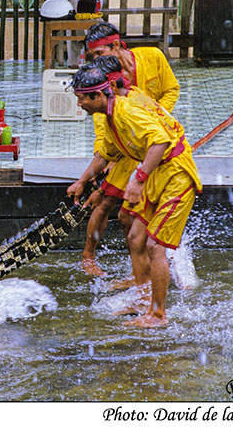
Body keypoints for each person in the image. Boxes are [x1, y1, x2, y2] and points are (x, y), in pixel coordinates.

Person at [67, 64, 200, 328]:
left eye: (82, 97)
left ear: (99, 95)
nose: (79, 103)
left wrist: (138, 179)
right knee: (136, 236)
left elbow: (160, 141)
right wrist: (82, 181)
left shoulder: (127, 110)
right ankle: (142, 300)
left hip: (176, 174)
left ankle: (159, 314)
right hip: (156, 175)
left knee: (154, 245)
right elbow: (105, 155)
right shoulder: (110, 117)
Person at [80, 21, 180, 277]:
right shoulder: (101, 83)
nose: (96, 61)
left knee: (133, 215)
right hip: (124, 147)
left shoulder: (153, 56)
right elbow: (103, 130)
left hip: (153, 142)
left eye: (100, 54)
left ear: (116, 45)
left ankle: (143, 273)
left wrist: (153, 115)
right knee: (106, 200)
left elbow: (171, 90)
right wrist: (103, 160)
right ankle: (89, 255)